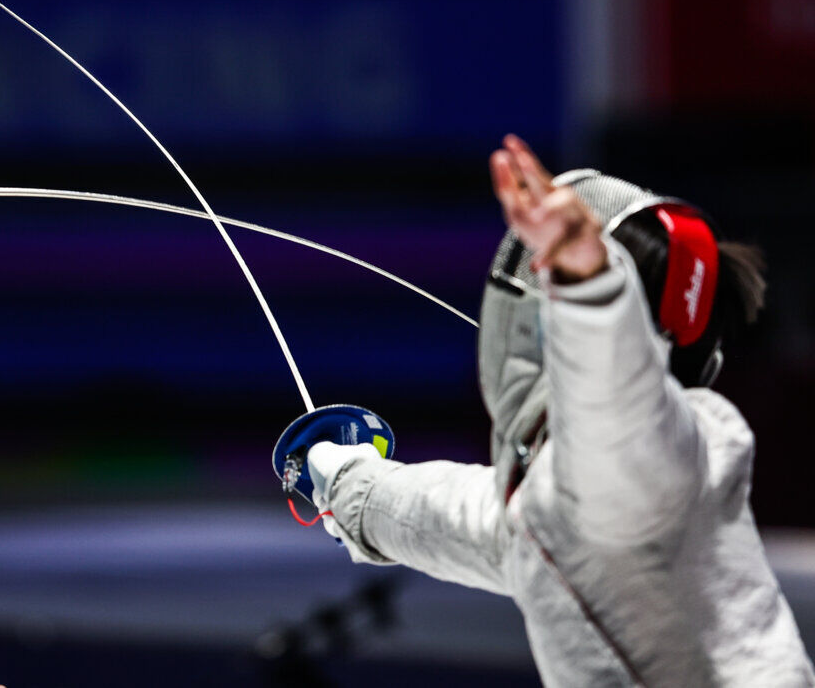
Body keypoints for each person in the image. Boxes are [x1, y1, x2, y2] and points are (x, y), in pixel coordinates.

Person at [296, 135, 814, 685]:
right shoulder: (545, 499)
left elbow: (620, 411)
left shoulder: (670, 460)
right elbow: (445, 516)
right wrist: (346, 480)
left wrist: (591, 287)